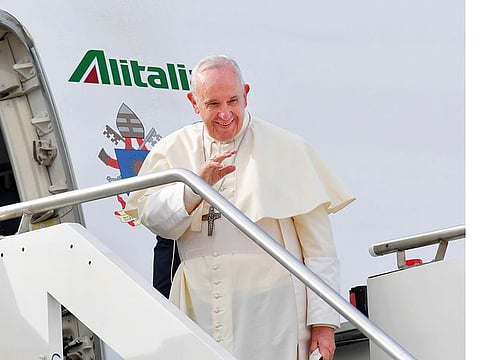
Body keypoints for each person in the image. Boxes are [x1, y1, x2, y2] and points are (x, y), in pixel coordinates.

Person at [127, 55, 354, 360]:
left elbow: (319, 250)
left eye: (233, 101)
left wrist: (324, 325)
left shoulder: (288, 149)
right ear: (194, 103)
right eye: (213, 104)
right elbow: (156, 221)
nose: (225, 114)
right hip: (199, 305)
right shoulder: (173, 150)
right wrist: (193, 189)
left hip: (273, 312)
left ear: (246, 94)